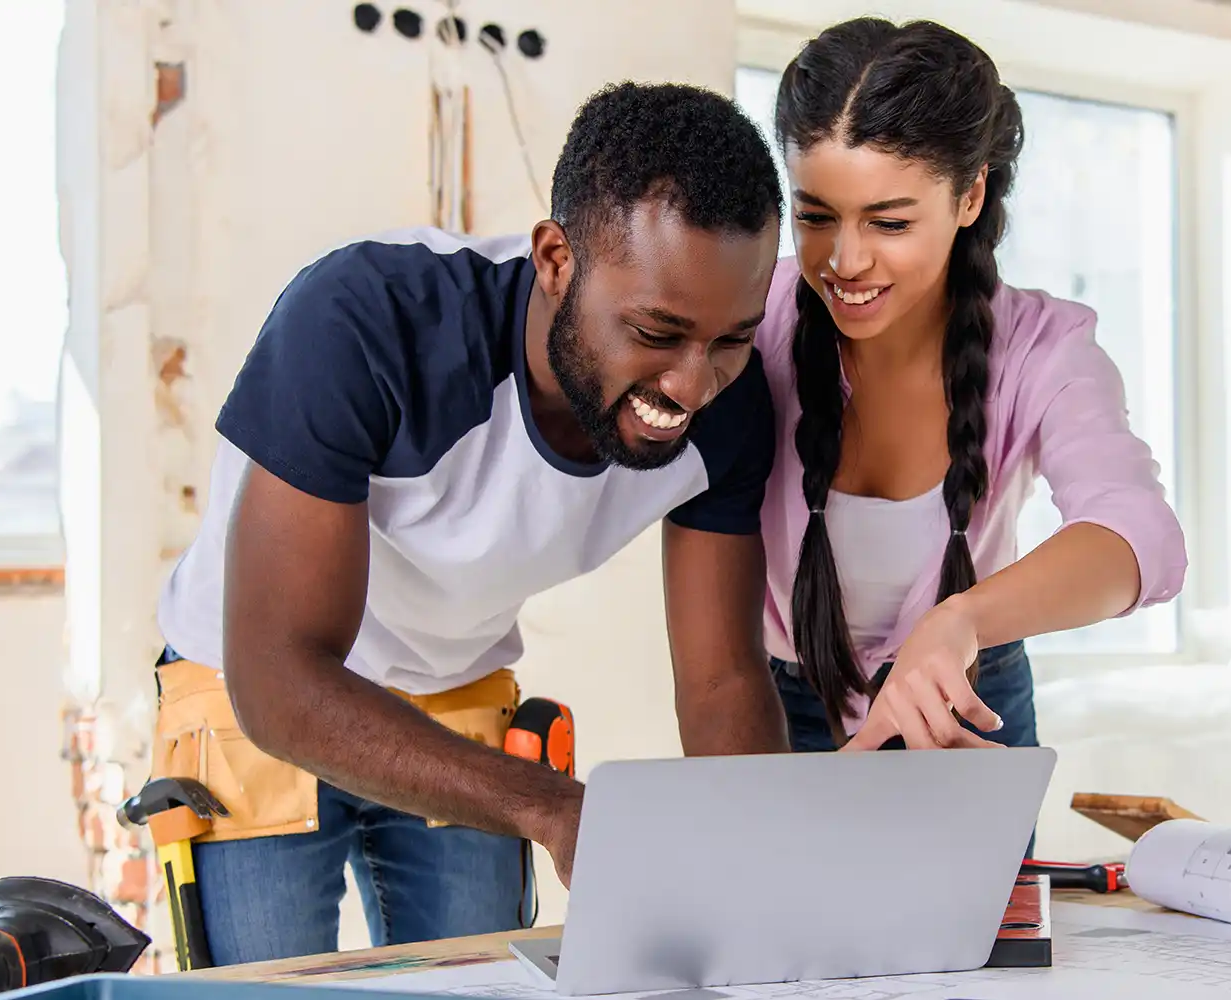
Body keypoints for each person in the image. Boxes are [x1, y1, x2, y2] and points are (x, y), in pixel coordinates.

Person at [145, 82, 789, 966]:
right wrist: (555, 807)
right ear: (556, 260)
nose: (690, 385)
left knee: (487, 989)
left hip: (454, 685)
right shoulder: (363, 322)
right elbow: (282, 677)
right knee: (268, 990)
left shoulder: (731, 405)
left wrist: (772, 888)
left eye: (731, 338)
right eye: (655, 331)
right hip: (252, 683)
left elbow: (721, 682)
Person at [754, 18, 1189, 754]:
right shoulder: (754, 318)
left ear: (970, 196)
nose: (844, 260)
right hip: (782, 700)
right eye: (815, 217)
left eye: (889, 221)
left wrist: (962, 621)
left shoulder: (1046, 349)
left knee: (997, 881)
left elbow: (1143, 541)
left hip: (968, 699)